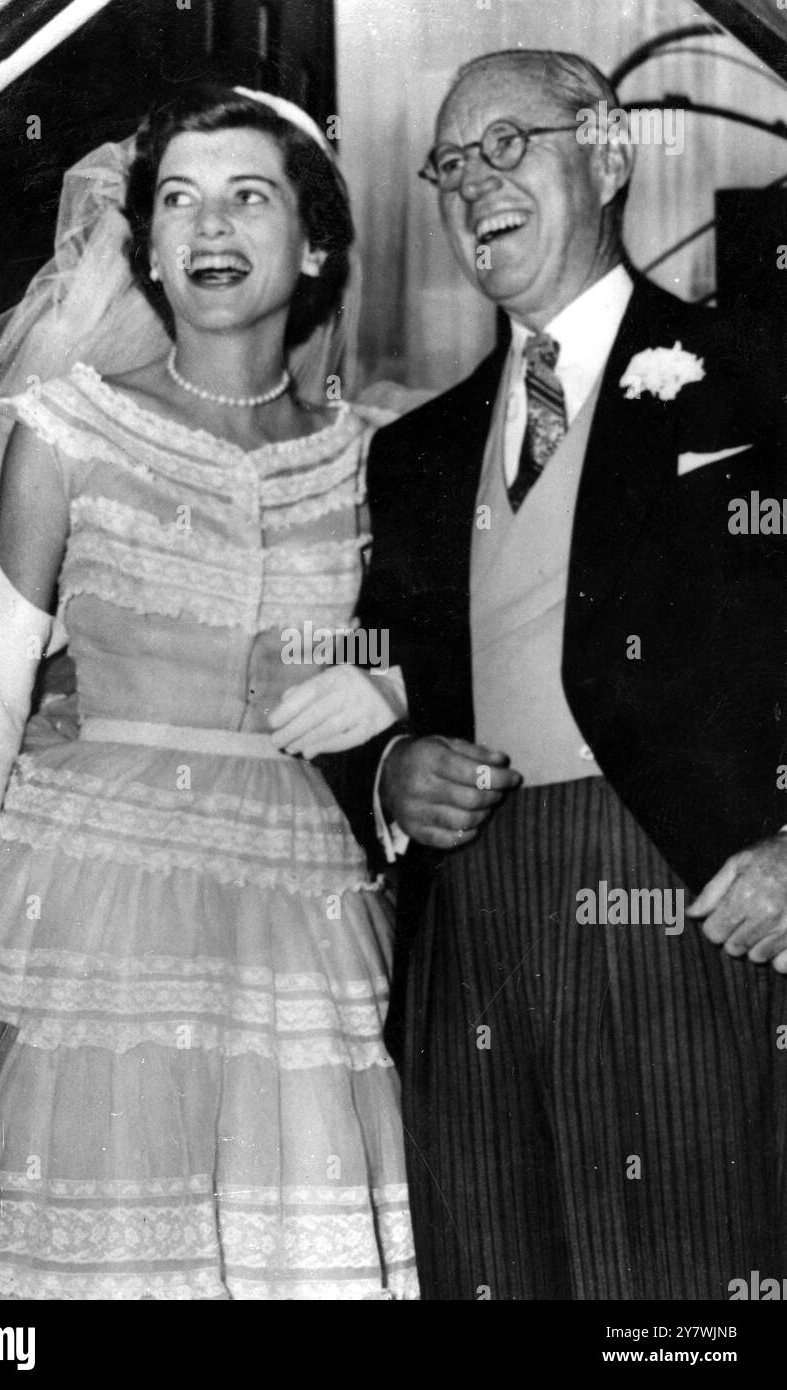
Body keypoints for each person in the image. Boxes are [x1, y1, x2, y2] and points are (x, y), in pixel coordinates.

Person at [0, 84, 418, 1300]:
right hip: (90, 901)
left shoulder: (370, 451)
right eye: (178, 200)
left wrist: (388, 681)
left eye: (248, 196)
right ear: (147, 247)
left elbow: (450, 654)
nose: (208, 227)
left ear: (316, 240)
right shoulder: (66, 430)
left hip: (298, 911)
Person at [322, 49, 787, 1300]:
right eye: (450, 164)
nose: (476, 184)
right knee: (490, 1268)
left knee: (684, 1294)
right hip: (469, 923)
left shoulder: (758, 378)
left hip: (679, 898)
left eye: (509, 144)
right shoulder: (413, 454)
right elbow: (366, 675)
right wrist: (388, 770)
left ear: (611, 150)